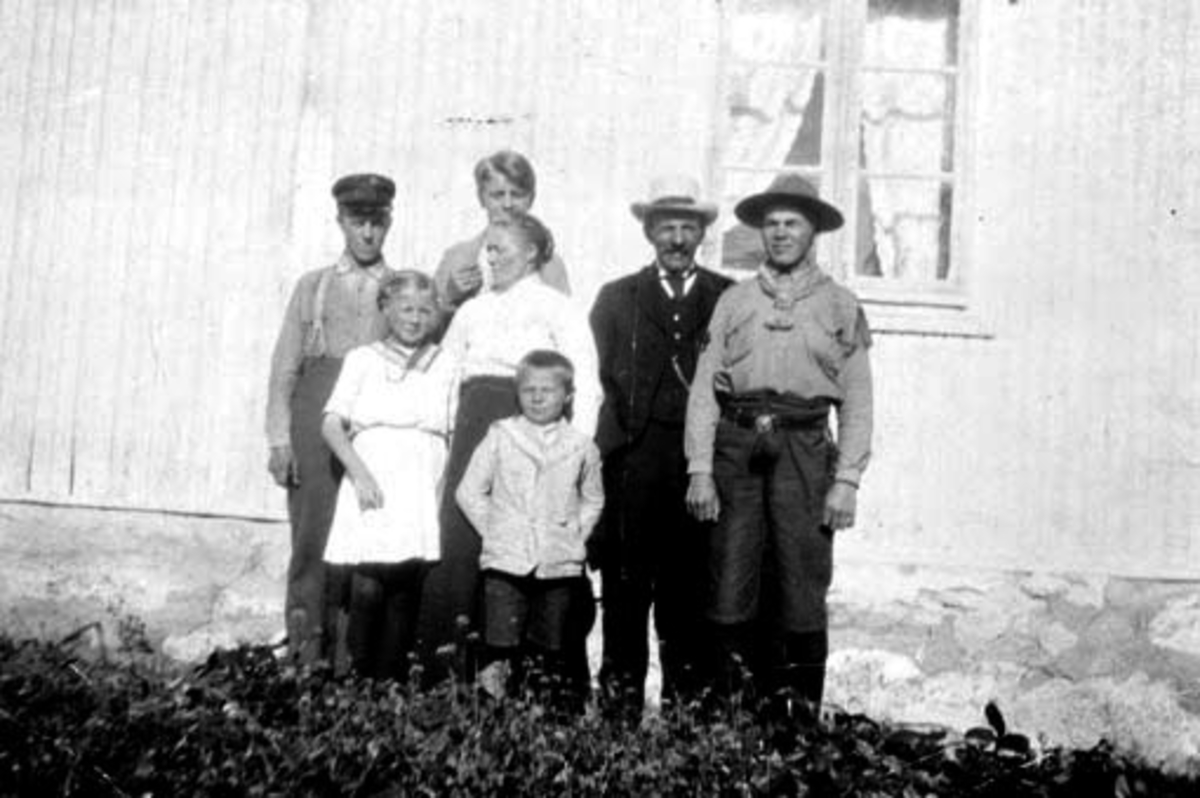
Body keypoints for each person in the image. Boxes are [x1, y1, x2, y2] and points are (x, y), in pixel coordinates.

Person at [684, 172, 873, 721]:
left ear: (814, 230)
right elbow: (704, 391)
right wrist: (700, 469)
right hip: (737, 451)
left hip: (806, 454)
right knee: (728, 583)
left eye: (793, 222)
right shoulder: (734, 302)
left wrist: (847, 480)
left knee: (801, 586)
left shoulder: (840, 306)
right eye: (771, 223)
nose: (781, 233)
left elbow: (858, 400)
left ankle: (793, 730)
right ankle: (729, 726)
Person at [419, 210, 600, 683]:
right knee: (461, 544)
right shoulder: (473, 310)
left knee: (527, 545)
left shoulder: (557, 307)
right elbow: (445, 380)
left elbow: (586, 382)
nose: (489, 257)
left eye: (499, 249)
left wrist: (572, 457)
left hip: (534, 434)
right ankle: (451, 677)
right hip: (474, 427)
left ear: (532, 253)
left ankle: (536, 681)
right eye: (488, 249)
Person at [588, 175, 733, 720]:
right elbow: (600, 377)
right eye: (666, 226)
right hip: (633, 464)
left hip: (699, 465)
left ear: (702, 233)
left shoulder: (726, 297)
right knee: (625, 597)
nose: (676, 238)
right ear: (649, 231)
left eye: (687, 227)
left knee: (687, 598)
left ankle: (683, 723)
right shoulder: (616, 298)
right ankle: (619, 723)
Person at [265, 173, 397, 662]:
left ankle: (351, 661)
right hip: (313, 413)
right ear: (340, 221)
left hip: (373, 420)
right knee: (311, 538)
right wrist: (280, 439)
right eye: (357, 222)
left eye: (376, 224)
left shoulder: (399, 288)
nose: (367, 234)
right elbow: (284, 368)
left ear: (389, 223)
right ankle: (305, 656)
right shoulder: (313, 286)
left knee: (362, 539)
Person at [319, 272, 453, 681]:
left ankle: (389, 683)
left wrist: (439, 489)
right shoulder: (363, 358)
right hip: (373, 473)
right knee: (367, 581)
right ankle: (356, 676)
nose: (415, 318)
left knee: (404, 584)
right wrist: (359, 475)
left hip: (420, 477)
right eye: (406, 309)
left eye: (425, 311)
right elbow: (330, 424)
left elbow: (451, 430)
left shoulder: (446, 362)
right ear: (387, 309)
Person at [456, 350, 604, 707]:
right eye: (528, 390)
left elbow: (592, 500)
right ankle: (494, 719)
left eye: (548, 390)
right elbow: (468, 491)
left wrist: (572, 536)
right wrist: (496, 532)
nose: (537, 398)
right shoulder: (502, 435)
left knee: (548, 648)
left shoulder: (581, 445)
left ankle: (539, 720)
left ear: (567, 396)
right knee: (500, 647)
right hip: (506, 563)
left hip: (557, 563)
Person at [434, 150, 570, 316]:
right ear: (481, 198)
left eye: (517, 195)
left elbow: (564, 325)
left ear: (532, 198)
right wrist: (449, 298)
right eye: (498, 195)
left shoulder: (549, 264)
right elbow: (426, 333)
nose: (507, 204)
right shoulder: (457, 257)